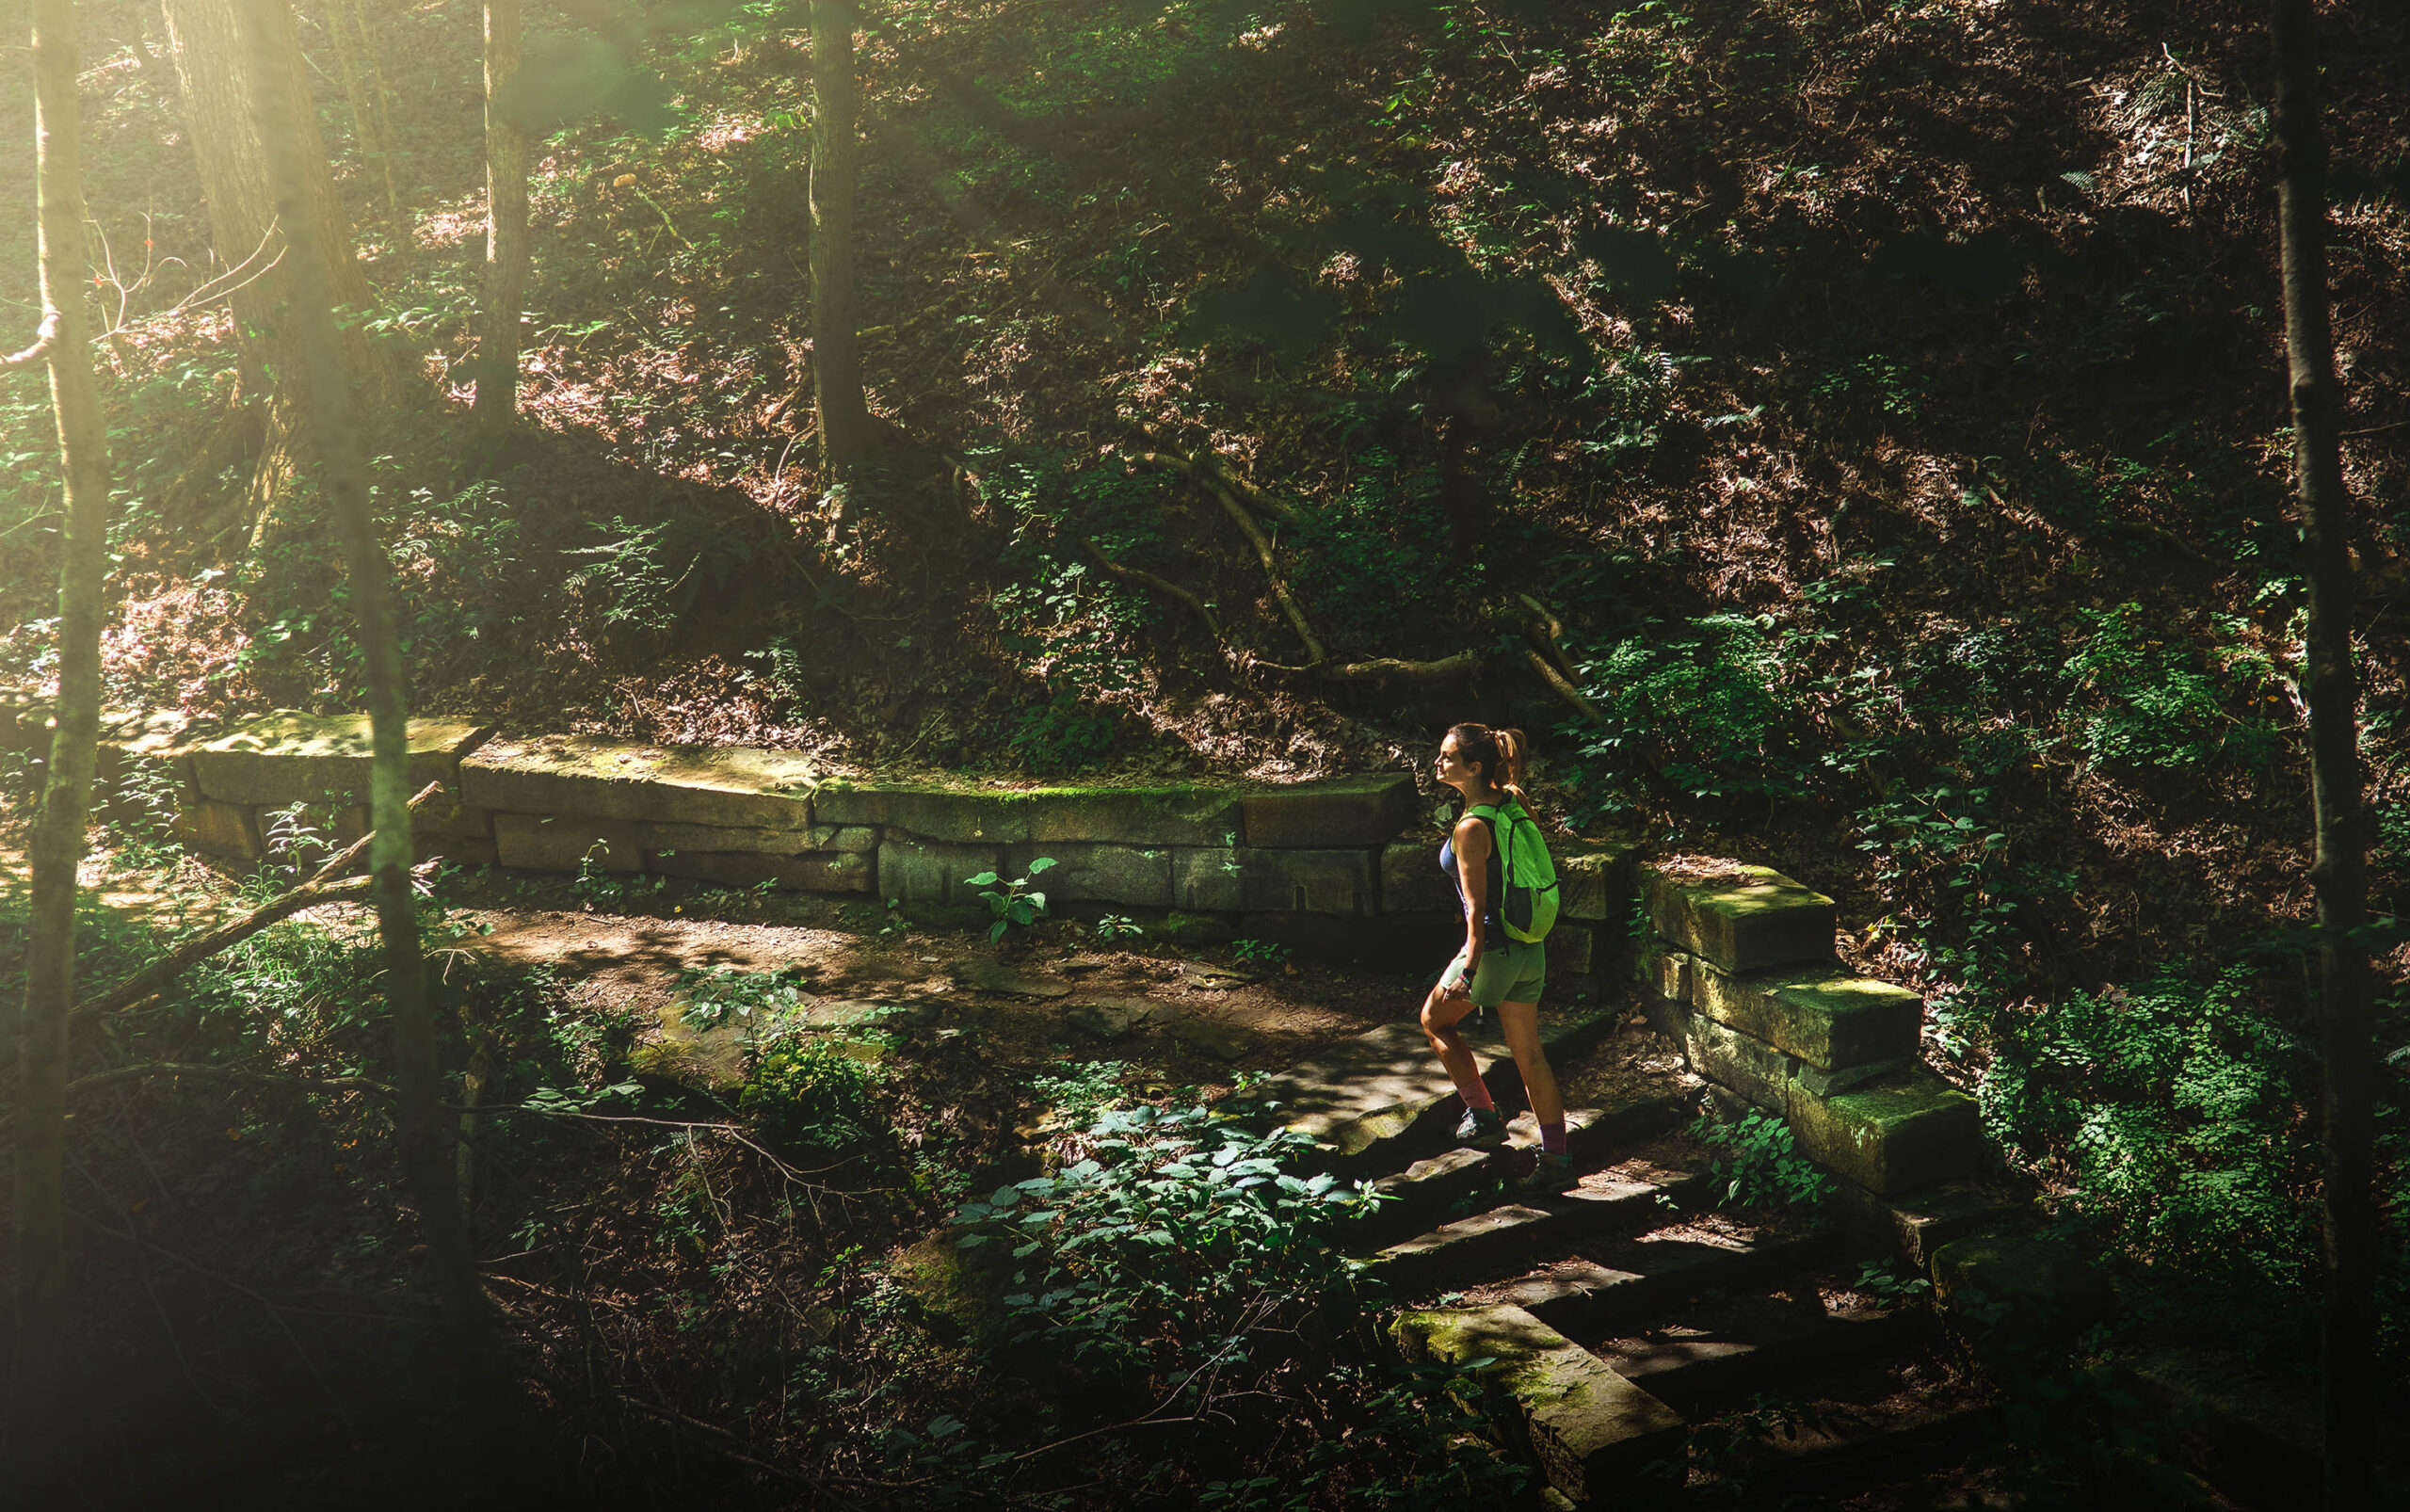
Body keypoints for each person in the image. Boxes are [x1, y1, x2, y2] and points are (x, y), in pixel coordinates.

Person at [1416, 722, 1570, 1191]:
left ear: (1474, 767)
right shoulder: (1513, 801)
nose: (1438, 763)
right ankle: (1559, 1163)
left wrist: (1471, 969)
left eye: (1447, 757)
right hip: (1529, 947)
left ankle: (1482, 1113)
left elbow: (1477, 910)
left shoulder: (1470, 827)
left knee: (1434, 1021)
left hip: (1494, 951)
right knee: (1531, 1059)